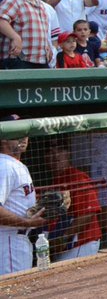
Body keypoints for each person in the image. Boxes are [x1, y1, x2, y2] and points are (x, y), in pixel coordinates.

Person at [0, 115, 46, 275]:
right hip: (8, 241)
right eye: (16, 133)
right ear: (3, 139)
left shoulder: (16, 165)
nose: (23, 137)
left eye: (24, 132)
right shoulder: (4, 165)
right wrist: (27, 222)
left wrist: (44, 205)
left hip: (19, 240)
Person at [45, 139, 102, 260]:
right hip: (68, 244)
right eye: (51, 151)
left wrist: (64, 238)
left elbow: (90, 212)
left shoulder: (77, 177)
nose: (55, 155)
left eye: (60, 150)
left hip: (82, 242)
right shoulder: (56, 180)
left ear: (68, 153)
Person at [0, 0, 54, 69]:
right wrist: (15, 37)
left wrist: (47, 45)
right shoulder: (13, 1)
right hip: (18, 59)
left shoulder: (41, 5)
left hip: (41, 59)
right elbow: (1, 20)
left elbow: (42, 30)